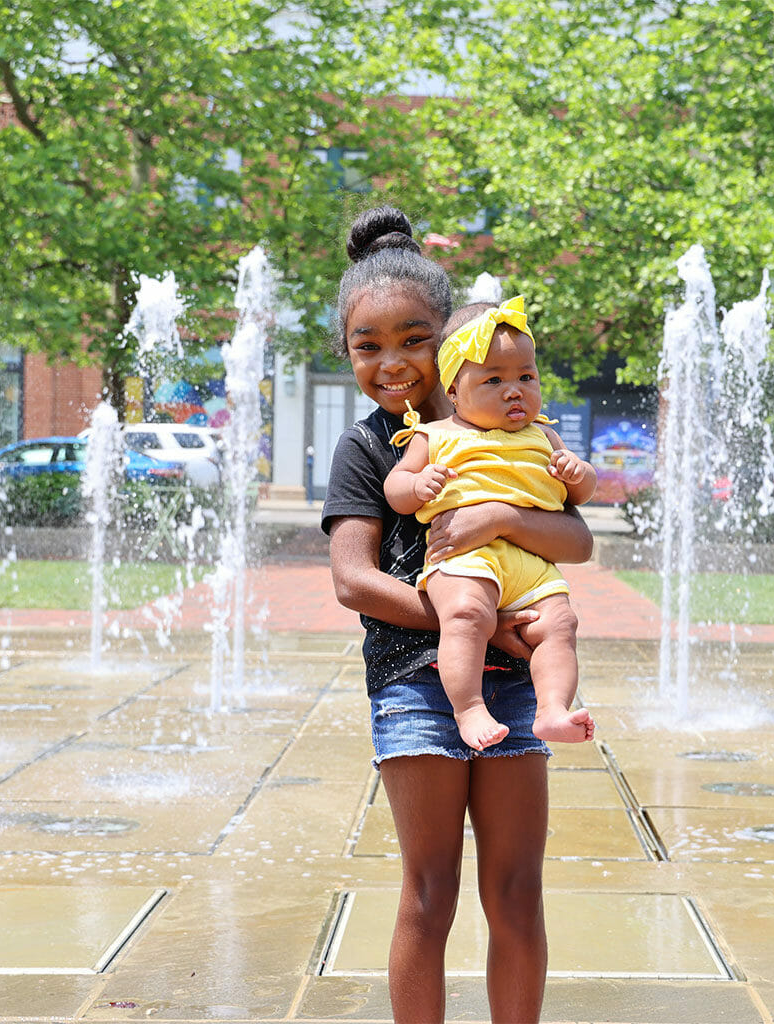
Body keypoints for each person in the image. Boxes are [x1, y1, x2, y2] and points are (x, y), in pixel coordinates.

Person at [321, 204, 594, 1024]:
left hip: (514, 685)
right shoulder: (371, 448)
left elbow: (575, 537)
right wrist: (465, 625)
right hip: (411, 681)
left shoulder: (513, 426)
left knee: (515, 890)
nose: (394, 362)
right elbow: (353, 581)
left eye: (415, 340)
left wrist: (499, 520)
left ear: (453, 339)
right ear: (348, 354)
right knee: (429, 889)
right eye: (369, 347)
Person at [383, 296, 597, 751]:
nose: (514, 390)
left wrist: (579, 475)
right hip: (465, 558)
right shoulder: (436, 435)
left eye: (526, 377)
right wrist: (418, 484)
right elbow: (395, 487)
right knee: (465, 614)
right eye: (494, 379)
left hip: (530, 564)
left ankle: (553, 709)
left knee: (560, 624)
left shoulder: (544, 435)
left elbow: (577, 499)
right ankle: (469, 707)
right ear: (454, 392)